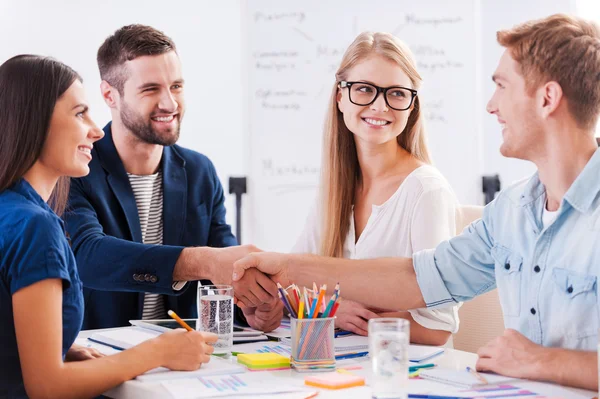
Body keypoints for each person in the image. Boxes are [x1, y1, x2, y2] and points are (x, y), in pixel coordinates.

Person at [233, 14, 600, 390]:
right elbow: (418, 278)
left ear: (547, 98)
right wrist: (288, 268)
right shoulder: (511, 212)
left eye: (502, 86)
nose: (491, 105)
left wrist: (543, 361)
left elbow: (436, 325)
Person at [0, 54, 217, 399]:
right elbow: (45, 386)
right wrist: (156, 353)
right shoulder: (35, 225)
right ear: (36, 122)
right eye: (79, 113)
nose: (95, 129)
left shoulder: (11, 210)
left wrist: (60, 349)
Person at [63, 24, 282, 331]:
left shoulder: (198, 171)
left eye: (176, 86)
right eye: (151, 89)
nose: (170, 103)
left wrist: (253, 309)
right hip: (101, 360)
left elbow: (226, 268)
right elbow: (87, 256)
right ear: (110, 95)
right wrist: (203, 261)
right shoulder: (76, 169)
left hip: (183, 358)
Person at [288, 31, 459, 344]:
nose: (380, 106)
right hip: (341, 368)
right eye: (365, 89)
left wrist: (332, 310)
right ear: (340, 96)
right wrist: (330, 309)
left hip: (403, 373)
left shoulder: (426, 191)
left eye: (396, 93)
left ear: (412, 105)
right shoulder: (336, 188)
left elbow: (438, 328)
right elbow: (291, 280)